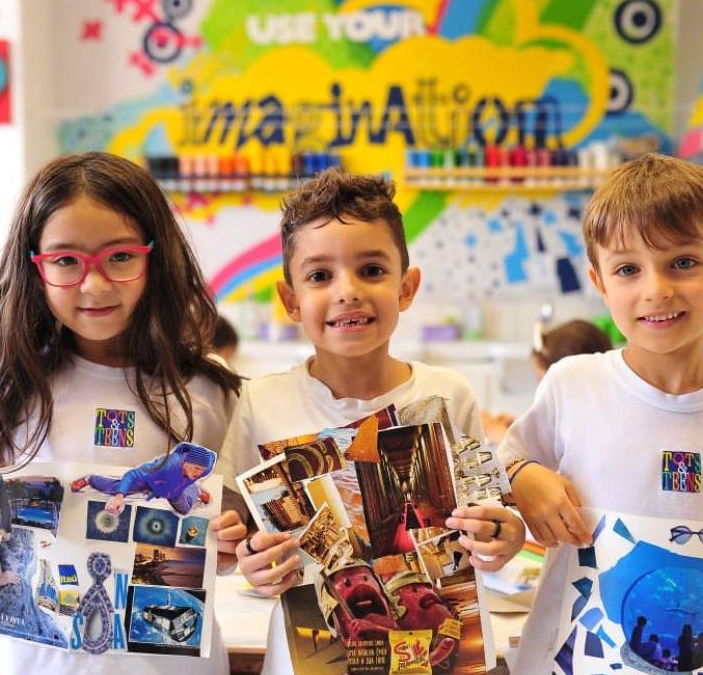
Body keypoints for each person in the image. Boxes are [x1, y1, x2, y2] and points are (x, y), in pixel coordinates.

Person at [0, 152, 247, 675]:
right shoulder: (17, 388)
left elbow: (238, 530)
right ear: (35, 267)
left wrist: (236, 542)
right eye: (66, 261)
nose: (94, 285)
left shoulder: (206, 389)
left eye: (119, 257)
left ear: (155, 259)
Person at [500, 154, 703, 674]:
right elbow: (505, 465)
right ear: (600, 282)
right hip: (572, 655)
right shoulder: (572, 383)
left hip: (694, 653)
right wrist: (525, 475)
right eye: (628, 269)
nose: (657, 289)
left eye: (683, 262)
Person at [219, 168, 526, 675]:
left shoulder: (448, 395)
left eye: (371, 270)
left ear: (406, 288)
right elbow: (237, 540)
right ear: (290, 300)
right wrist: (250, 558)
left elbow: (495, 523)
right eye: (320, 276)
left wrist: (501, 538)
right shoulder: (260, 401)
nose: (348, 291)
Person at [481, 318, 613, 442]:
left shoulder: (584, 428)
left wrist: (495, 432)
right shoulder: (597, 414)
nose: (541, 391)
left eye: (542, 381)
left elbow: (535, 463)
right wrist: (518, 430)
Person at [70, 441, 216, 515]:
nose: (199, 473)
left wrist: (193, 482)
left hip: (175, 489)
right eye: (196, 468)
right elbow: (132, 475)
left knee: (184, 509)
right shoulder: (166, 465)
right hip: (150, 483)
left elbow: (207, 461)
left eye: (202, 470)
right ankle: (89, 479)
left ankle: (196, 490)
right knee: (115, 488)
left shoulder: (204, 469)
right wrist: (120, 497)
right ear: (185, 461)